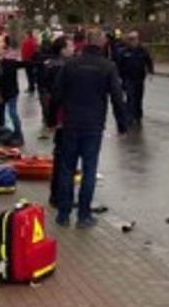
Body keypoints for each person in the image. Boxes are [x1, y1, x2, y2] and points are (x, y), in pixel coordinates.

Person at [48, 29, 127, 227]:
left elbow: (56, 94)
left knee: (67, 170)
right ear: (101, 45)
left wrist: (51, 120)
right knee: (89, 170)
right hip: (93, 125)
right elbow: (117, 98)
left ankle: (63, 215)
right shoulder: (108, 67)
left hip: (71, 123)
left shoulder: (70, 65)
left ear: (84, 44)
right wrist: (122, 125)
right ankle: (84, 216)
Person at [41, 36, 74, 205]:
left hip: (57, 117)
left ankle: (56, 194)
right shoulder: (64, 67)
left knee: (59, 157)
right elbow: (60, 95)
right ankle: (61, 196)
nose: (73, 48)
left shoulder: (48, 64)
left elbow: (46, 93)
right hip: (65, 117)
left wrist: (50, 119)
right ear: (62, 49)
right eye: (70, 46)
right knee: (65, 159)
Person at [115, 30, 154, 125]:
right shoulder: (123, 51)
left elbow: (148, 61)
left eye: (134, 39)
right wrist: (118, 77)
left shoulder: (142, 50)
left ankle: (138, 115)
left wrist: (150, 72)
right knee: (130, 97)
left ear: (137, 39)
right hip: (128, 78)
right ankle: (129, 117)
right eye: (130, 39)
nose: (132, 41)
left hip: (139, 78)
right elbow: (118, 65)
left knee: (138, 97)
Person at [20, 29, 40, 94]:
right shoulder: (34, 41)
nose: (24, 35)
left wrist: (23, 58)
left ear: (27, 34)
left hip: (27, 60)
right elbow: (36, 50)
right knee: (32, 74)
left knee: (29, 75)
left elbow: (24, 51)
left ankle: (31, 87)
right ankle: (32, 86)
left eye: (25, 34)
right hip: (33, 60)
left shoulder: (26, 42)